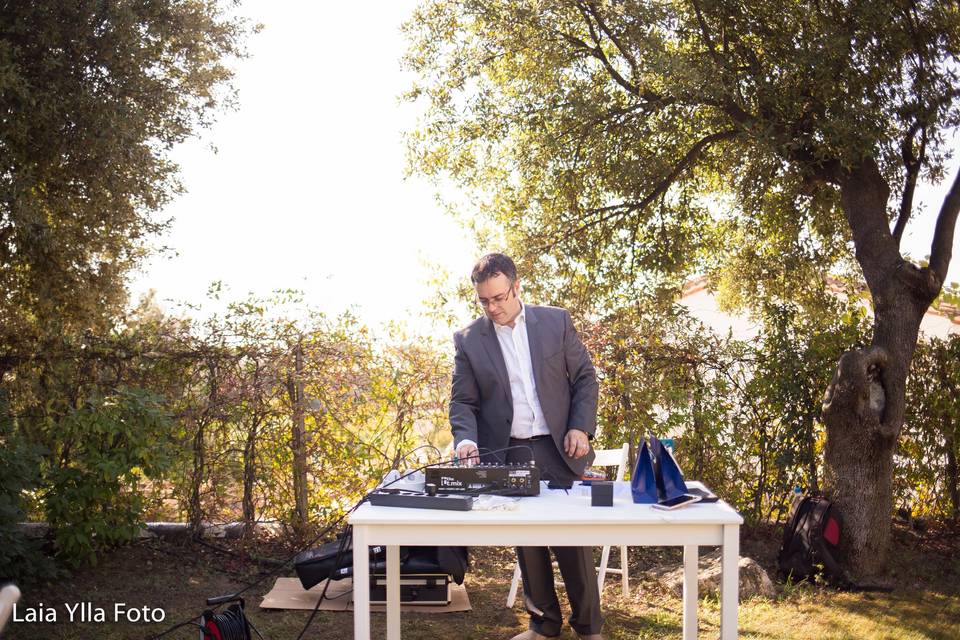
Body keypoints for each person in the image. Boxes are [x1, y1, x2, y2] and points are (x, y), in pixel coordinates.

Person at [449, 253, 604, 640]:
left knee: (572, 539)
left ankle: (588, 628)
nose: (492, 307)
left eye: (499, 297)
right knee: (529, 542)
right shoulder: (469, 340)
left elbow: (585, 378)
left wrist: (580, 427)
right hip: (510, 448)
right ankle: (543, 625)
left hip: (559, 446)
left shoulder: (555, 321)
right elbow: (462, 402)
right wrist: (466, 439)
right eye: (484, 300)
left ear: (517, 287)